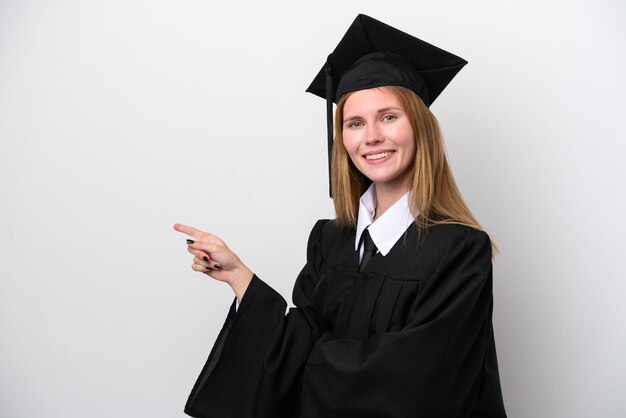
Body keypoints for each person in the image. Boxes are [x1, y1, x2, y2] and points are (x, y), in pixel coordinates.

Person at [175, 14, 507, 418]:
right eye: (355, 123)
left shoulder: (459, 251)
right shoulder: (329, 240)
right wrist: (241, 278)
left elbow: (417, 381)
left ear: (420, 128)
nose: (371, 137)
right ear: (342, 139)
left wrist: (307, 359)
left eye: (389, 116)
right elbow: (301, 337)